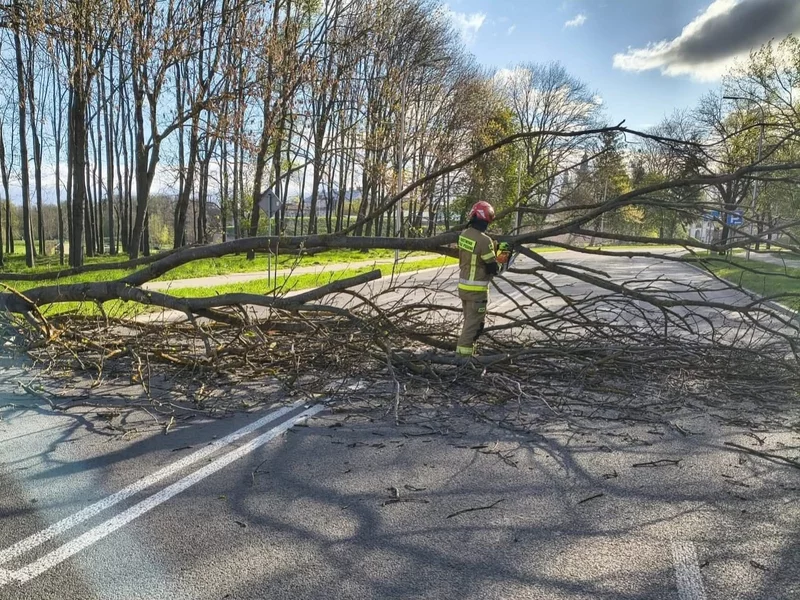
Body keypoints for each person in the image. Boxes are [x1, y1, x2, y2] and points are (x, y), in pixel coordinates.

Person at [456, 201, 510, 357]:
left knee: (469, 323)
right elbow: (492, 268)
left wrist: (492, 247)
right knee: (473, 327)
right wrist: (502, 255)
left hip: (464, 288)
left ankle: (468, 355)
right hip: (477, 290)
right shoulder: (484, 241)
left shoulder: (464, 234)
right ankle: (462, 359)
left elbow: (475, 253)